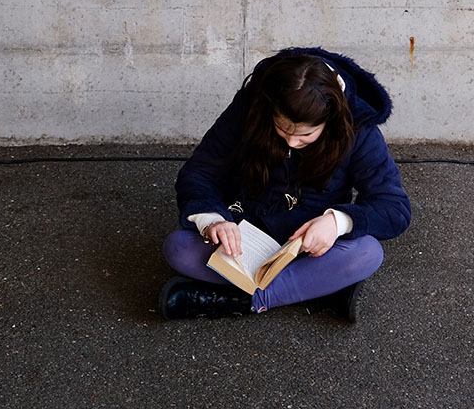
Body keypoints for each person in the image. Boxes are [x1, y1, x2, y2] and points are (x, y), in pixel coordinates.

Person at [159, 47, 411, 321]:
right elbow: (200, 171)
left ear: (331, 118)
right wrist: (213, 220)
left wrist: (337, 222)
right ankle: (316, 288)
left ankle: (243, 301)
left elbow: (393, 207)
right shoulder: (251, 105)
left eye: (306, 134)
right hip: (245, 240)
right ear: (271, 109)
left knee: (366, 253)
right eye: (282, 128)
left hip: (310, 247)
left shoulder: (358, 127)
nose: (291, 142)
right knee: (178, 248)